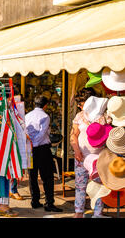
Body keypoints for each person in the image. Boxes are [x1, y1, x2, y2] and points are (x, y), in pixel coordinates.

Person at [70, 88, 109, 218]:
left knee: (99, 186)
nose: (80, 106)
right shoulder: (79, 116)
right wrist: (76, 151)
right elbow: (73, 135)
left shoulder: (104, 116)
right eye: (79, 104)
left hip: (99, 158)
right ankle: (79, 212)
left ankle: (98, 213)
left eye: (81, 103)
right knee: (80, 185)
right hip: (81, 157)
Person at [25, 95, 62, 212]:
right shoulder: (45, 116)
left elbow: (25, 131)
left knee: (33, 175)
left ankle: (35, 200)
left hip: (30, 148)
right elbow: (41, 134)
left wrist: (31, 145)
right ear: (45, 105)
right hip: (41, 148)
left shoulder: (27, 116)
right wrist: (35, 145)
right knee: (47, 176)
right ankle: (49, 203)